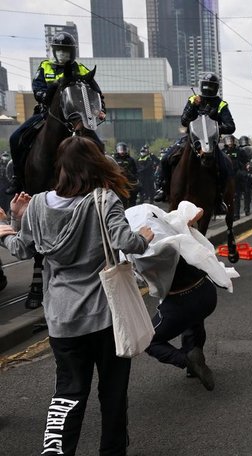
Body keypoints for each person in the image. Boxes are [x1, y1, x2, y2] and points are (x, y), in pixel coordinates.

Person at [0, 135, 153, 456]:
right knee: (112, 394)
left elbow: (20, 248)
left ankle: (56, 451)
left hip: (62, 319)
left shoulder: (38, 204)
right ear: (95, 164)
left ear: (62, 168)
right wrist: (144, 235)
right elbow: (127, 242)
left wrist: (9, 222)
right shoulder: (104, 200)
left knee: (67, 393)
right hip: (104, 318)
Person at [7, 32, 106, 195]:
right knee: (16, 137)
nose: (62, 53)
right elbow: (37, 87)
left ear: (72, 52)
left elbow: (96, 92)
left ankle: (103, 180)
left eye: (65, 50)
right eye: (59, 50)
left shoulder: (80, 69)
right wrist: (45, 94)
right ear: (53, 51)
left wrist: (100, 109)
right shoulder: (45, 66)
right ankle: (18, 179)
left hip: (75, 117)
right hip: (46, 114)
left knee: (98, 145)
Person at [144, 208, 217, 391]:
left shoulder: (140, 248)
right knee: (194, 318)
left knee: (146, 339)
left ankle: (188, 361)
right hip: (207, 293)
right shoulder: (172, 226)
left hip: (180, 304)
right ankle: (195, 354)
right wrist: (184, 222)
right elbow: (198, 210)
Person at [155, 72, 235, 202]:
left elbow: (231, 126)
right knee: (165, 159)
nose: (208, 89)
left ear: (216, 88)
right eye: (206, 86)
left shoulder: (221, 105)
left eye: (211, 86)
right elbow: (184, 120)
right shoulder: (193, 100)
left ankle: (219, 197)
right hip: (191, 140)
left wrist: (215, 128)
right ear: (202, 86)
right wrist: (194, 106)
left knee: (225, 166)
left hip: (211, 143)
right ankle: (162, 188)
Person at [113, 142, 139, 209]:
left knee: (133, 196)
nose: (122, 151)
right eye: (120, 149)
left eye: (123, 149)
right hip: (118, 182)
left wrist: (134, 177)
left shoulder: (131, 160)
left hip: (129, 181)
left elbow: (135, 171)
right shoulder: (114, 159)